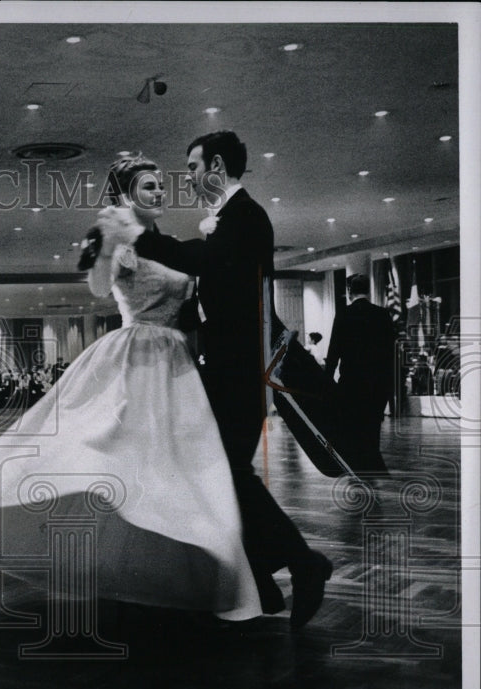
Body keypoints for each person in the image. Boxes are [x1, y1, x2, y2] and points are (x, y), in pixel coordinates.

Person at [0, 154, 262, 622]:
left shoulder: (173, 245)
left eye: (160, 186)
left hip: (178, 362)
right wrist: (109, 244)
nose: (159, 192)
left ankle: (191, 559)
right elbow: (96, 286)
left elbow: (196, 295)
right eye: (148, 186)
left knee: (179, 464)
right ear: (126, 195)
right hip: (134, 353)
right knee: (102, 450)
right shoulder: (122, 243)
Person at [98, 131, 332, 630]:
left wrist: (141, 234)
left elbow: (206, 263)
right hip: (222, 369)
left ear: (217, 165)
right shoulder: (231, 219)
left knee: (227, 474)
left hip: (240, 370)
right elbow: (213, 295)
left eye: (191, 165)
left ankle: (298, 563)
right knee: (219, 475)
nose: (184, 177)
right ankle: (264, 581)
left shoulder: (244, 217)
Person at [324, 273, 395, 476]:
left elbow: (334, 350)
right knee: (372, 425)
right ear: (368, 290)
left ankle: (357, 465)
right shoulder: (382, 314)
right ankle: (372, 462)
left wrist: (327, 379)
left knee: (352, 425)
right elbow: (390, 351)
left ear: (349, 292)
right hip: (376, 383)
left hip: (351, 382)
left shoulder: (344, 314)